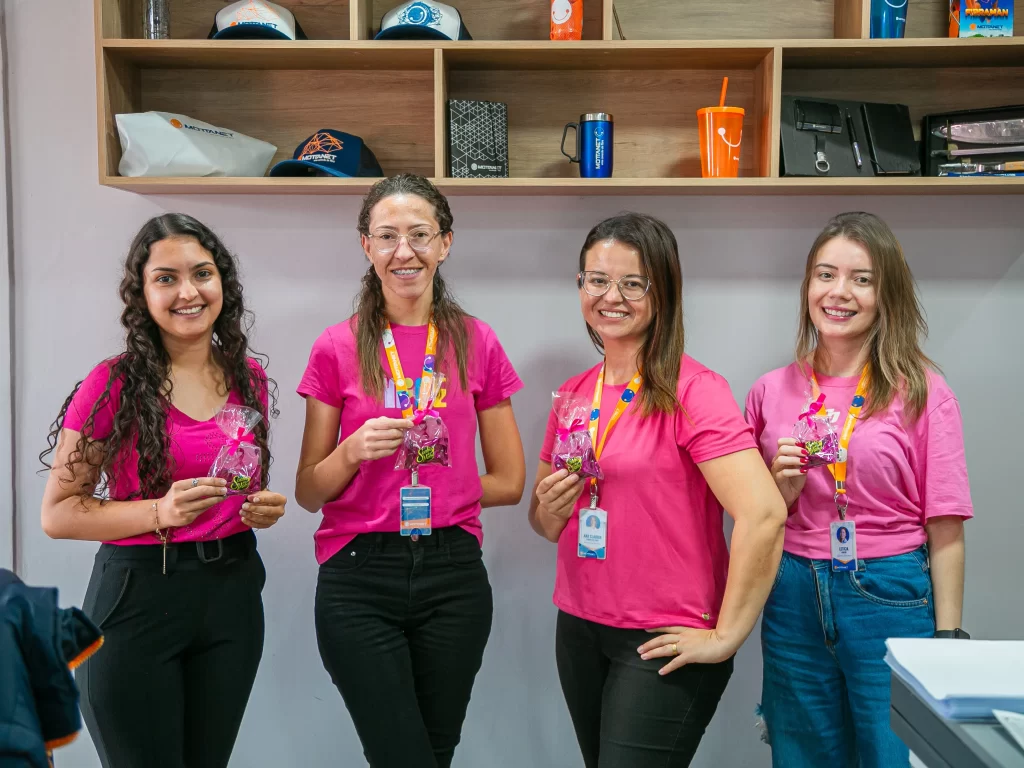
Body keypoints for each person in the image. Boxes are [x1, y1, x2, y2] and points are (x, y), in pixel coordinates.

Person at [529, 212, 787, 768]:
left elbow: (764, 514)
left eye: (632, 283)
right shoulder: (574, 395)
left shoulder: (694, 391)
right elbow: (547, 522)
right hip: (579, 628)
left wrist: (726, 636)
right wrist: (547, 511)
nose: (611, 296)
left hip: (662, 639)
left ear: (663, 291)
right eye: (596, 280)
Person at [39, 213, 287, 768]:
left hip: (232, 596)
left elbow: (240, 484)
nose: (188, 292)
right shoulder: (114, 383)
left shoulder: (249, 379)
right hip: (139, 597)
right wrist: (161, 510)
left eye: (202, 273)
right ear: (142, 294)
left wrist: (259, 508)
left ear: (223, 282)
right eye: (166, 278)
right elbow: (59, 514)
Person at [295, 174, 525, 768]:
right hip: (358, 576)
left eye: (420, 235)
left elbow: (509, 480)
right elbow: (307, 490)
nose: (405, 251)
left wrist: (447, 491)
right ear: (365, 246)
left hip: (453, 572)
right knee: (399, 753)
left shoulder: (477, 341)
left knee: (434, 751)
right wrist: (350, 452)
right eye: (388, 236)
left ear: (444, 244)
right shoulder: (335, 347)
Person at [745, 211, 973, 768]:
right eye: (825, 275)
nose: (838, 292)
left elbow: (945, 524)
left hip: (889, 595)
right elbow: (753, 518)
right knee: (801, 754)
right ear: (807, 287)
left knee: (891, 754)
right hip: (792, 591)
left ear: (884, 294)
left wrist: (947, 636)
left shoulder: (922, 392)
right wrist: (785, 490)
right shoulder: (769, 391)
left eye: (861, 279)